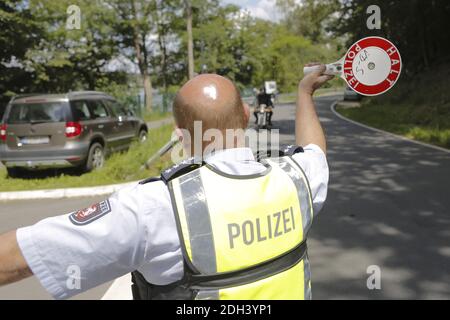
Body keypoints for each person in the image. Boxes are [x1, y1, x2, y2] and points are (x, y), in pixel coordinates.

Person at [0, 64, 332, 300]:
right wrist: (305, 93)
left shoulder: (153, 207)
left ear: (179, 136)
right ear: (246, 116)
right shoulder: (297, 178)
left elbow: (17, 259)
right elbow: (314, 150)